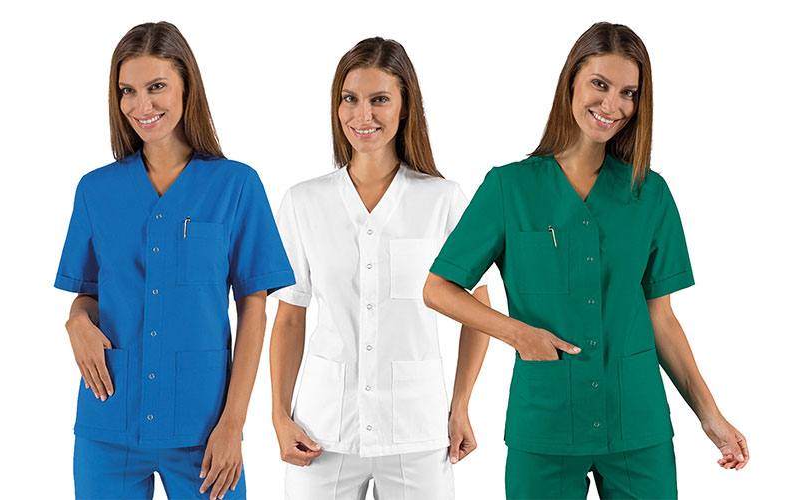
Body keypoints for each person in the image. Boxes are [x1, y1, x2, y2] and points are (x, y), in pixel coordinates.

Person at [423, 22, 749, 500]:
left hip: (637, 423)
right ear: (571, 81)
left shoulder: (649, 193)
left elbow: (661, 319)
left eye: (628, 93)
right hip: (545, 423)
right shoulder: (509, 188)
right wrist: (518, 334)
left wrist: (710, 416)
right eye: (600, 84)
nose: (612, 105)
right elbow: (438, 288)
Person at [54, 21, 294, 500]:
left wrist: (232, 424)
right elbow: (90, 294)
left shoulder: (236, 185)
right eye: (128, 91)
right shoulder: (96, 190)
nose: (141, 105)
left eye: (157, 87)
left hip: (204, 428)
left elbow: (253, 310)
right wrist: (76, 320)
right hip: (110, 421)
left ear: (187, 86)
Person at [269, 37, 490, 500]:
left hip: (417, 429)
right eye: (350, 99)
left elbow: (478, 314)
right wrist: (279, 415)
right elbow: (290, 316)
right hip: (322, 430)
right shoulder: (304, 202)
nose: (362, 115)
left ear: (405, 107)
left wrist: (461, 405)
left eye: (379, 100)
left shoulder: (442, 200)